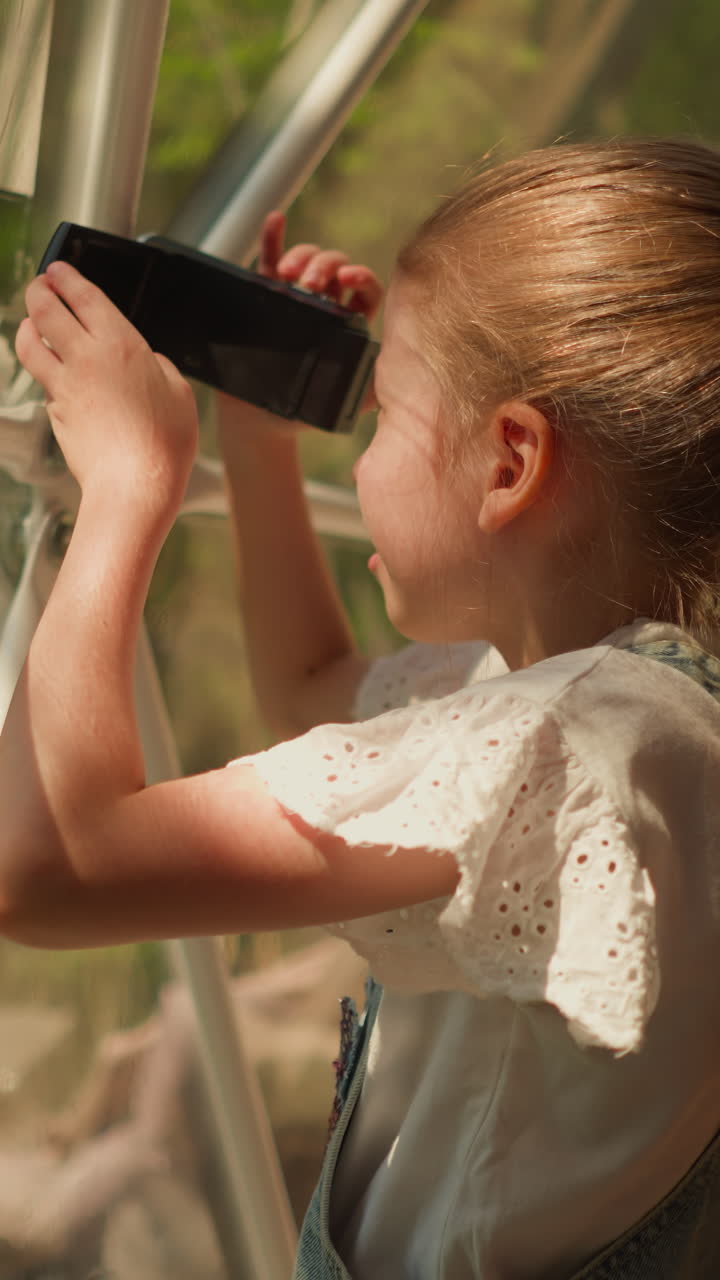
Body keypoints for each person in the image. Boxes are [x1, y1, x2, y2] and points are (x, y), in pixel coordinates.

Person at [2, 137, 720, 1279]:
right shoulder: (611, 704)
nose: (366, 439)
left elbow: (44, 868)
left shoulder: (572, 738)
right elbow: (311, 693)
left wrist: (129, 489)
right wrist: (260, 438)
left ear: (511, 463)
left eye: (383, 410)